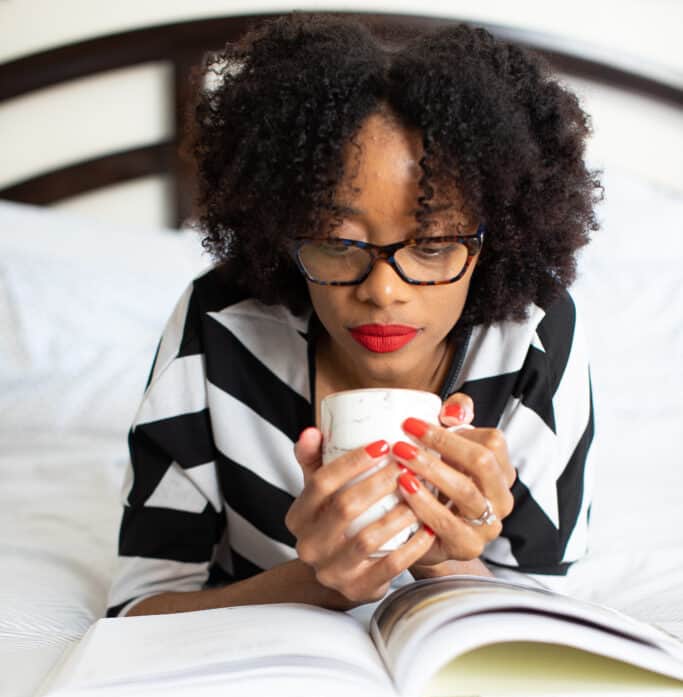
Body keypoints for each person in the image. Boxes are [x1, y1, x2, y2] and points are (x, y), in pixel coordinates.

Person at [106, 12, 600, 618]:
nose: (383, 291)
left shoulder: (533, 338)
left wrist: (441, 558)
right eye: (337, 242)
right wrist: (318, 581)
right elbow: (137, 608)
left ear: (495, 239)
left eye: (433, 243)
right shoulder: (219, 325)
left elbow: (547, 620)